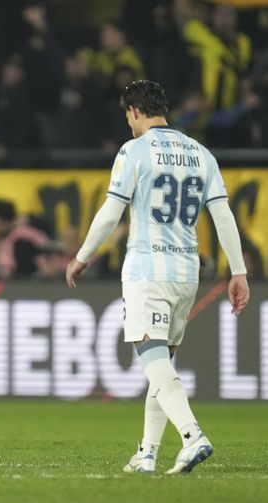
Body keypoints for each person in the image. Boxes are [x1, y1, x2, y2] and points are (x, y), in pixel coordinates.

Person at [66, 80, 249, 474]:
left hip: (148, 269)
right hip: (187, 272)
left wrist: (82, 256)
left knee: (152, 360)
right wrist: (239, 271)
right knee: (162, 361)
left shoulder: (134, 151)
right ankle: (147, 453)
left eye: (127, 116)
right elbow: (222, 216)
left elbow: (111, 211)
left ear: (134, 111)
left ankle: (192, 435)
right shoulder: (201, 153)